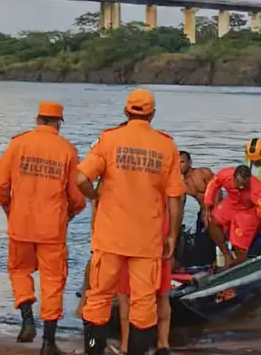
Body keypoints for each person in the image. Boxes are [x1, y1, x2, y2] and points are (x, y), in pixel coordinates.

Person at [76, 88, 185, 355]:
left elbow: (80, 179)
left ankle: (93, 350)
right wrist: (171, 235)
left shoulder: (109, 139)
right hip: (147, 241)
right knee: (144, 306)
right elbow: (175, 196)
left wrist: (96, 195)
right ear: (153, 114)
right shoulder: (166, 145)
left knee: (98, 299)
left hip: (110, 237)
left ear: (126, 111)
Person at [0, 101, 86, 355]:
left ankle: (27, 319)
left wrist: (11, 210)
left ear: (38, 119)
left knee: (20, 270)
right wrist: (69, 214)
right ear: (59, 123)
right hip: (52, 229)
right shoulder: (67, 150)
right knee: (53, 281)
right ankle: (48, 343)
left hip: (20, 223)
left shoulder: (17, 144)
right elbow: (77, 198)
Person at [115, 203, 172, 355]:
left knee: (126, 296)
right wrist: (172, 235)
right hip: (156, 232)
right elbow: (174, 203)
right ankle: (162, 344)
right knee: (161, 294)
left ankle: (126, 345)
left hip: (127, 235)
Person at [203, 165, 261, 268]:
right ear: (233, 177)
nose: (241, 187)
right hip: (232, 202)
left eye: (244, 184)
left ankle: (235, 266)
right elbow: (213, 184)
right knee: (213, 221)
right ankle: (226, 254)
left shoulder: (257, 189)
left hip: (248, 210)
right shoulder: (225, 174)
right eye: (239, 183)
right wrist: (208, 204)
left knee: (240, 247)